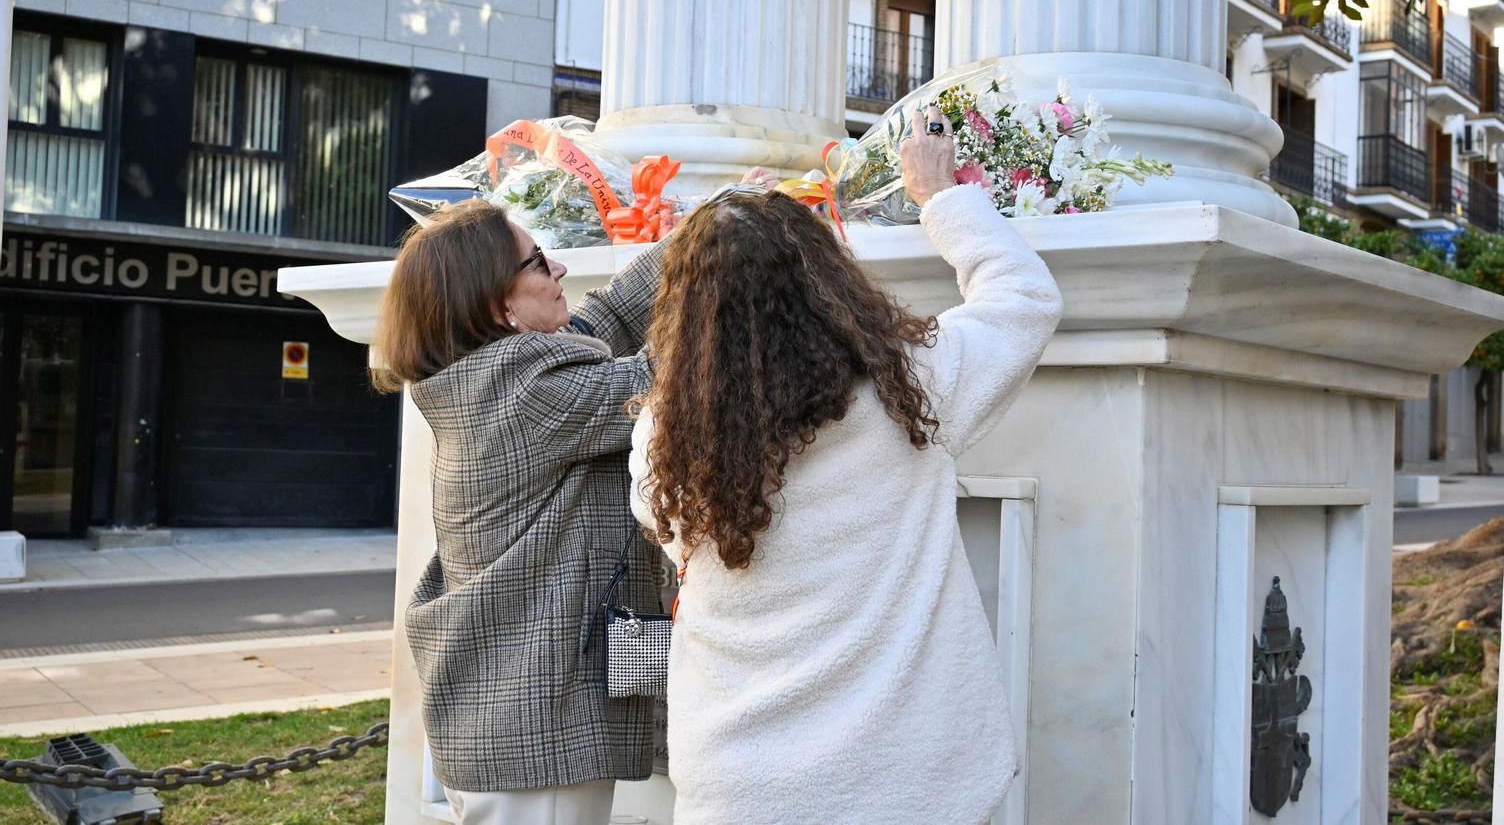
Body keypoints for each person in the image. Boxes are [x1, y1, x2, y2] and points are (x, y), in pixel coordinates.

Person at [627, 108, 1064, 824]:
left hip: (741, 786)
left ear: (687, 313)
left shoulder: (664, 436)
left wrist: (730, 230)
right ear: (828, 279)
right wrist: (940, 196)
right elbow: (1024, 298)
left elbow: (672, 539)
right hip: (913, 781)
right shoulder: (912, 387)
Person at [369, 197, 670, 825]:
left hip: (510, 717)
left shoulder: (494, 375)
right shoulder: (525, 386)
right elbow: (671, 377)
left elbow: (608, 318)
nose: (558, 268)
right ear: (496, 304)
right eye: (537, 263)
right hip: (536, 733)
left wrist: (705, 228)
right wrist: (739, 257)